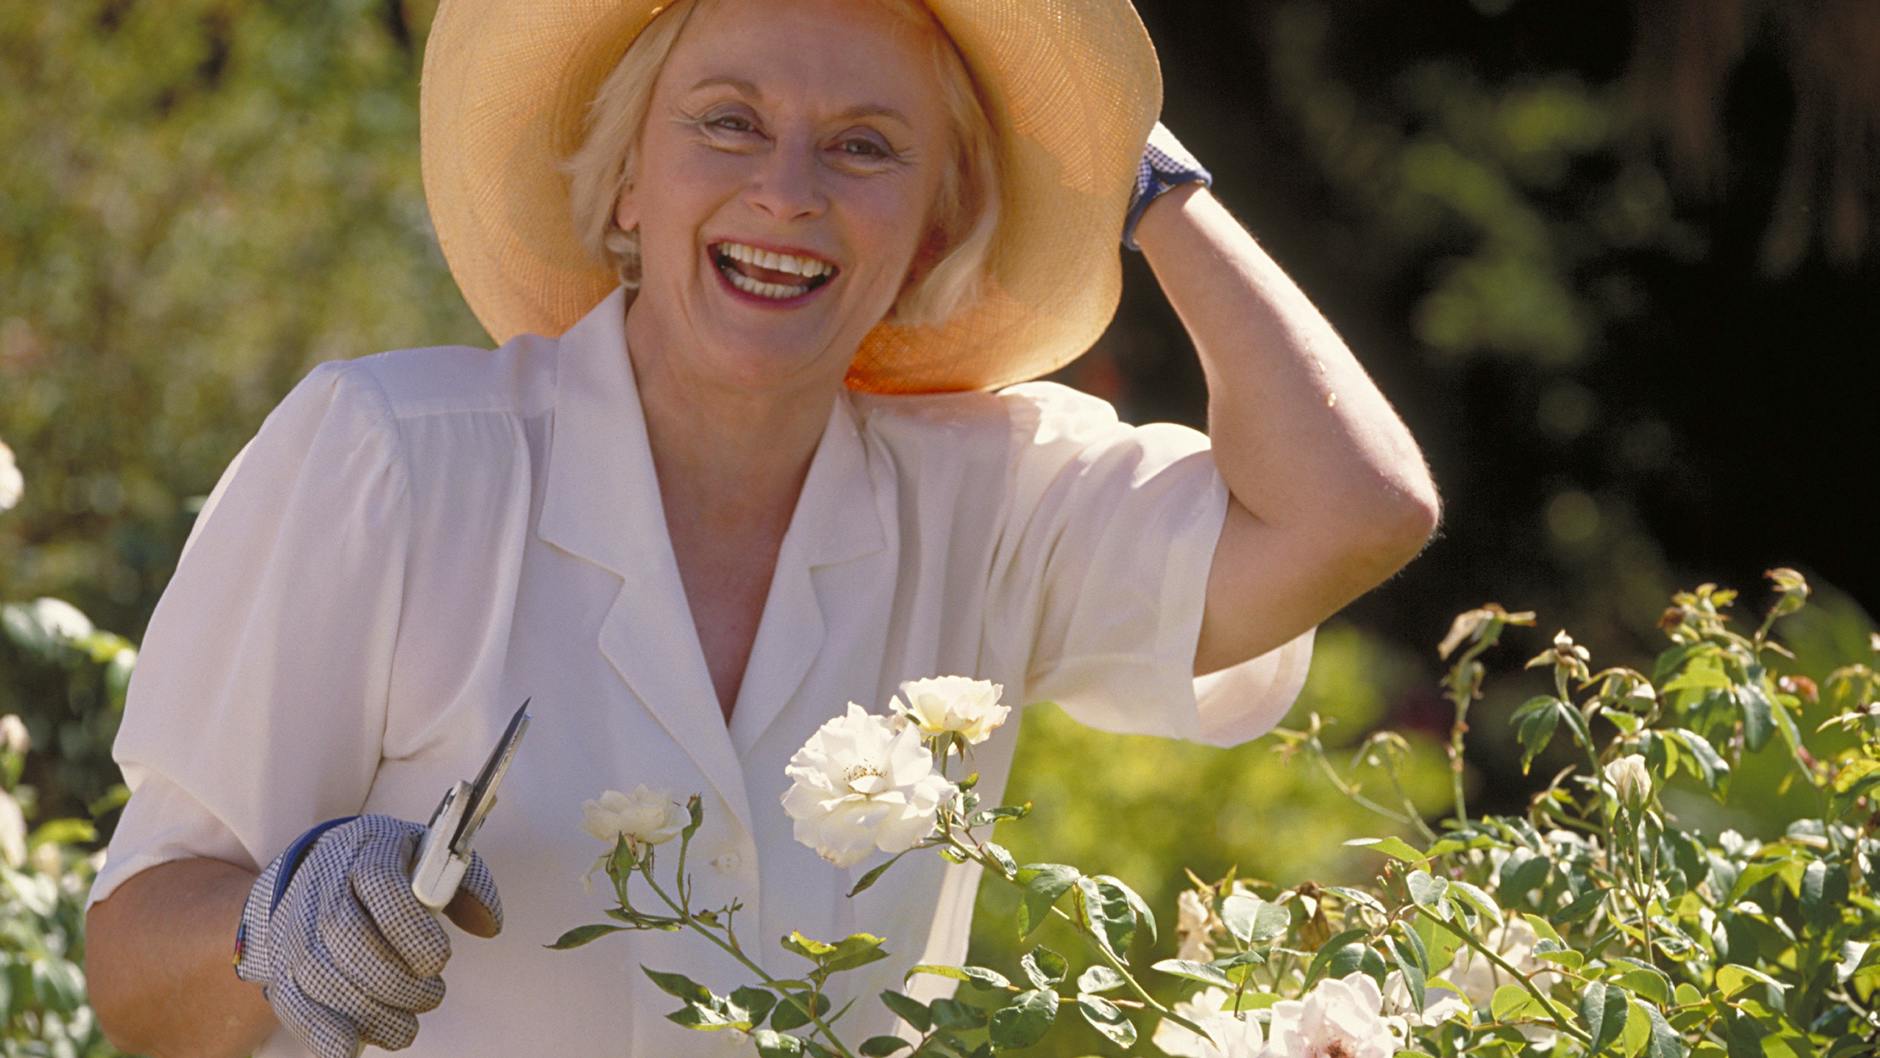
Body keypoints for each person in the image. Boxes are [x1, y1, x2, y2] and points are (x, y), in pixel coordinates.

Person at [81, 0, 1441, 1055]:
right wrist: (278, 924)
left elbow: (1357, 509)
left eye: (867, 146)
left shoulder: (997, 497)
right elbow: (134, 965)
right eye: (727, 122)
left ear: (929, 229)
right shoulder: (388, 458)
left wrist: (1128, 165)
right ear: (623, 183)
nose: (790, 190)